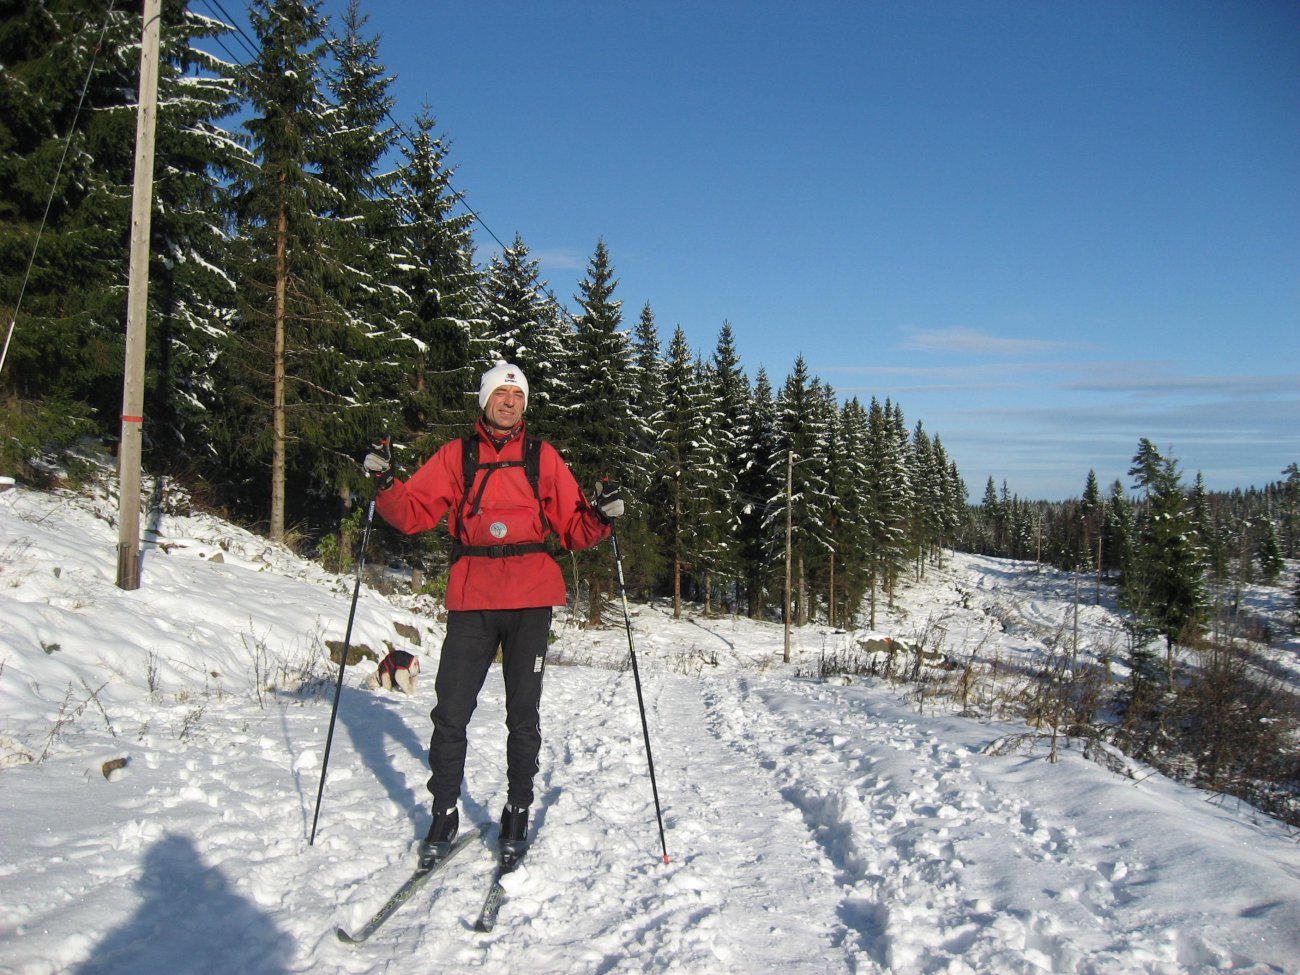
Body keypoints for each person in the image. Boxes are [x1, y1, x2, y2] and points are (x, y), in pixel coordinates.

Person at [363, 361, 624, 868]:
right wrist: (386, 482)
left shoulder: (542, 457)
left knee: (523, 714)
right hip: (473, 596)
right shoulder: (457, 455)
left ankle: (517, 809)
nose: (509, 401)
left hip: (530, 598)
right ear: (484, 400)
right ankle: (444, 812)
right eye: (501, 394)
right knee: (451, 711)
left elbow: (574, 529)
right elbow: (413, 513)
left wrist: (601, 517)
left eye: (518, 395)